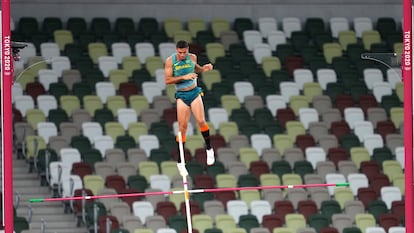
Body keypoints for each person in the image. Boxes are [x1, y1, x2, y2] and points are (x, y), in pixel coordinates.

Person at [164, 40, 215, 176]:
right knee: (182, 128)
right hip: (182, 95)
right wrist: (184, 77)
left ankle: (209, 149)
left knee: (201, 121)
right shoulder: (170, 61)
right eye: (180, 53)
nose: (182, 55)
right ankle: (181, 162)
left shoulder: (192, 57)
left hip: (194, 92)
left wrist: (203, 69)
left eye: (184, 52)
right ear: (176, 51)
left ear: (187, 51)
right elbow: (167, 80)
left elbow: (195, 68)